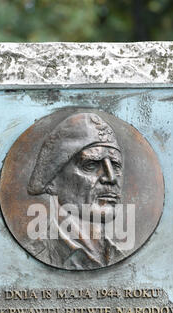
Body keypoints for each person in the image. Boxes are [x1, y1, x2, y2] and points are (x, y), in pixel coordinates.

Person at [27, 112, 126, 270]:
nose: (111, 178)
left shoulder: (120, 257)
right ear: (53, 180)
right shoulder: (37, 256)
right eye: (90, 165)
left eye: (115, 166)